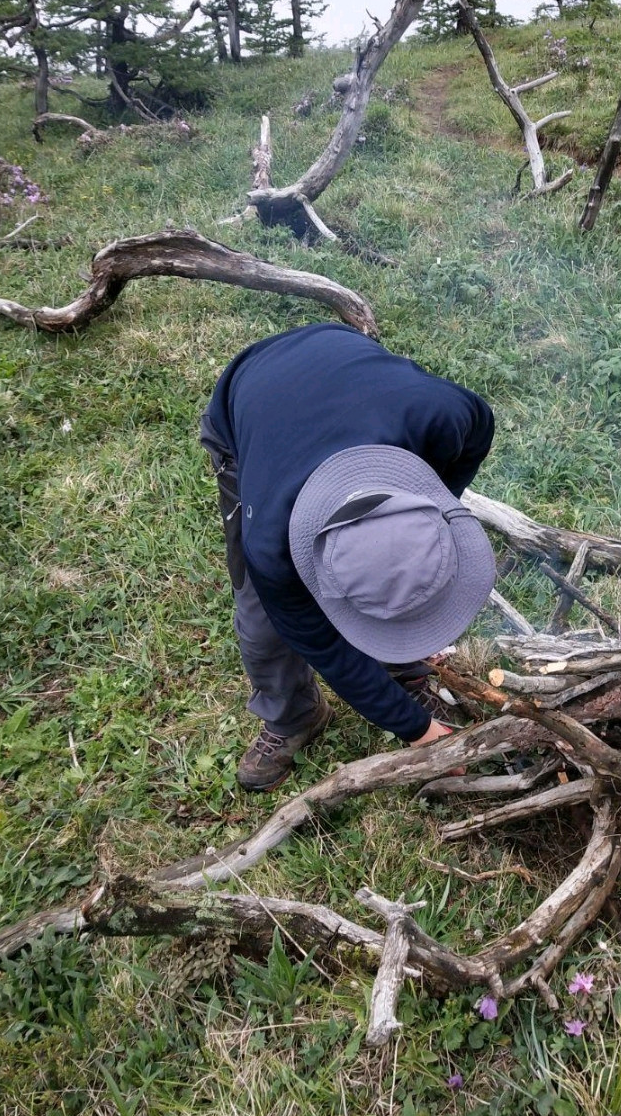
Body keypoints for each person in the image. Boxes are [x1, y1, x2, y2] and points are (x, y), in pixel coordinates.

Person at [200, 321, 497, 792]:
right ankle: (294, 715)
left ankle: (399, 660)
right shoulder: (272, 543)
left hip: (339, 354)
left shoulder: (444, 415)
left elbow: (475, 440)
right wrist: (414, 728)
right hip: (254, 397)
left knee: (400, 571)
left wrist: (430, 514)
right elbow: (323, 646)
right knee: (261, 621)